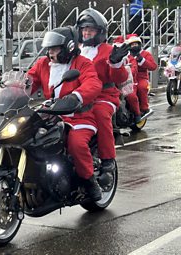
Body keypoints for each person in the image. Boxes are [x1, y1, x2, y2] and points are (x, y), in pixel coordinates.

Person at [27, 26, 103, 201]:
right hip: (51, 114)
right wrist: (13, 88)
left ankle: (89, 182)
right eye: (49, 49)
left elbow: (93, 82)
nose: (50, 53)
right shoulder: (43, 64)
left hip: (78, 116)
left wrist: (76, 97)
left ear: (68, 47)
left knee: (76, 144)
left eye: (54, 49)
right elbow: (30, 80)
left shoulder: (82, 63)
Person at [75, 8, 129, 174]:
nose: (86, 32)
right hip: (79, 95)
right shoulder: (76, 50)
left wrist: (116, 62)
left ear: (100, 32)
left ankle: (108, 158)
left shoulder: (108, 50)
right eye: (84, 29)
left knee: (99, 113)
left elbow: (120, 78)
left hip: (103, 96)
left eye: (90, 29)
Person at [126, 34, 157, 116]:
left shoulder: (146, 54)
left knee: (142, 87)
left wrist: (142, 60)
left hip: (142, 78)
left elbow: (153, 66)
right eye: (132, 44)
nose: (134, 46)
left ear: (139, 44)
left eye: (136, 44)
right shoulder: (126, 55)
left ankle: (144, 108)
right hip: (128, 79)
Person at [113, 36, 141, 123]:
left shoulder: (130, 57)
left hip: (129, 83)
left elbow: (134, 68)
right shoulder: (112, 58)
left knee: (131, 96)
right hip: (115, 84)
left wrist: (126, 71)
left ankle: (137, 114)